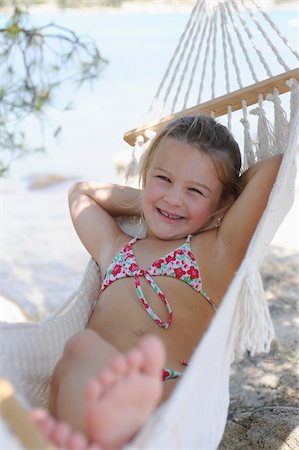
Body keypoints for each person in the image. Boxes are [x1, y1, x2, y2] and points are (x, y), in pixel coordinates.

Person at [32, 114, 282, 449]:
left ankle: (108, 427)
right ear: (145, 176)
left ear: (222, 203)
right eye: (163, 179)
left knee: (84, 350)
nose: (174, 199)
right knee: (81, 349)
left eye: (195, 190)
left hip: (165, 392)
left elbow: (276, 166)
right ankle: (98, 433)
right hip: (96, 388)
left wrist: (222, 206)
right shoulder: (116, 248)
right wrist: (147, 201)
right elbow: (81, 193)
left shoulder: (217, 250)